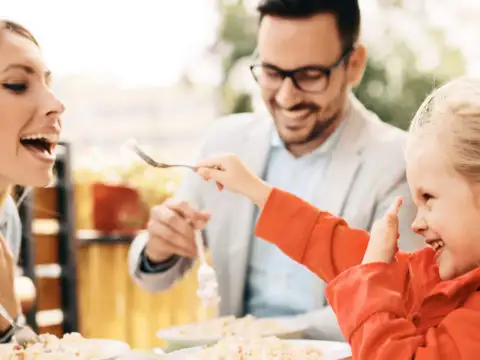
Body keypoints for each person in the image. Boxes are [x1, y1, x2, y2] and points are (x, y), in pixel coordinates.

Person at [128, 0, 421, 340]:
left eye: (310, 76)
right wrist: (159, 249)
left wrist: (273, 331)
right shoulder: (225, 141)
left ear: (353, 65)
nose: (285, 97)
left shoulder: (398, 162)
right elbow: (154, 277)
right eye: (271, 73)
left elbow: (403, 296)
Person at [195, 76, 480, 359]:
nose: (416, 224)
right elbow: (339, 250)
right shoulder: (442, 275)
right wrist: (257, 191)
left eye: (428, 198)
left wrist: (373, 275)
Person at [0, 19, 65, 343]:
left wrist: (9, 326)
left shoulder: (5, 217)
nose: (56, 105)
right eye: (16, 85)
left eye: (48, 84)